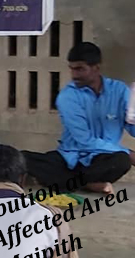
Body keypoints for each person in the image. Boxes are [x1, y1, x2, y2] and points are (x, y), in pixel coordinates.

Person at [25, 42, 134, 194]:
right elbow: (84, 140)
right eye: (72, 69)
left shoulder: (120, 90)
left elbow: (131, 125)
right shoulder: (67, 96)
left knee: (121, 161)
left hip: (101, 159)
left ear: (96, 67)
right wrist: (130, 154)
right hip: (70, 157)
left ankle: (73, 183)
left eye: (80, 69)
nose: (74, 75)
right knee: (22, 158)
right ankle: (87, 183)